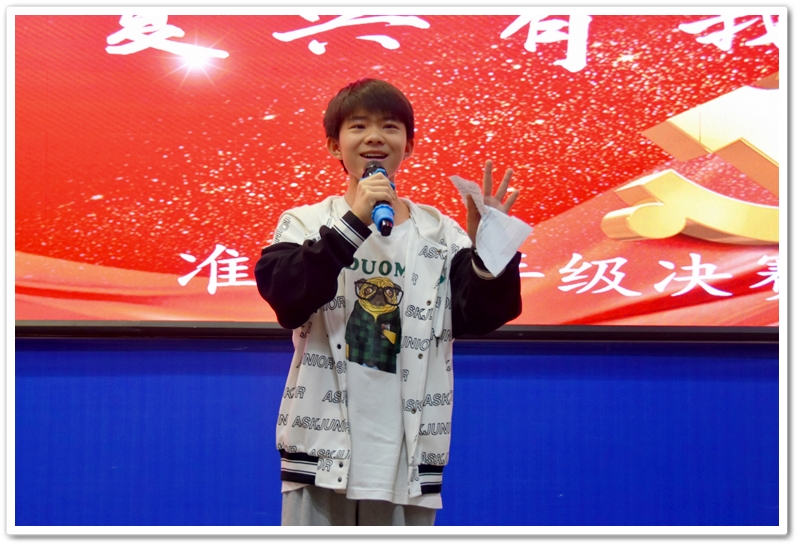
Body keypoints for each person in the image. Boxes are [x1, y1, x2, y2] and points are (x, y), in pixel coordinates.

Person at [254, 78, 523, 526]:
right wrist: (355, 220)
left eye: (390, 127)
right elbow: (285, 295)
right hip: (321, 453)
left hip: (407, 459)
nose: (375, 137)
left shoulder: (440, 232)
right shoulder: (305, 222)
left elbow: (480, 314)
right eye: (359, 126)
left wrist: (490, 247)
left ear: (409, 146)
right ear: (334, 146)